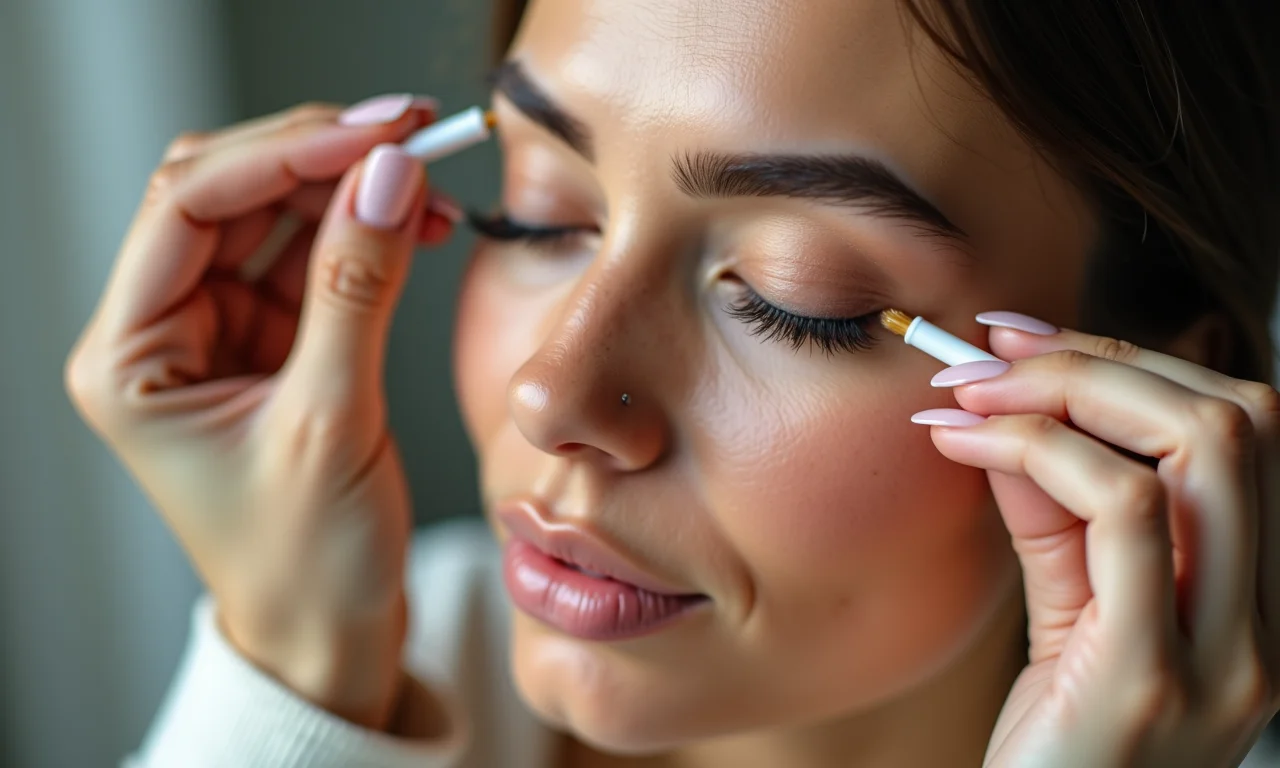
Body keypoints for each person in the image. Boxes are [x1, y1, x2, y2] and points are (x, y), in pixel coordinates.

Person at [65, 0, 1280, 765]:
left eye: (798, 300)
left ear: (1153, 402)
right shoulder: (386, 657)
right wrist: (295, 686)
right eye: (541, 215)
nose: (552, 393)